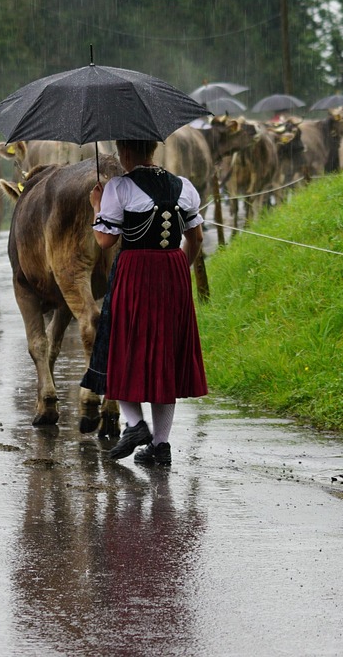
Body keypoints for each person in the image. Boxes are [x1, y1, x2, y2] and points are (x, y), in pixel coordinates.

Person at [80, 139, 208, 465]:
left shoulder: (118, 187)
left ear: (124, 151)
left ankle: (136, 425)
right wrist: (179, 266)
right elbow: (196, 238)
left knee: (122, 348)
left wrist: (97, 206)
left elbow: (106, 240)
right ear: (153, 148)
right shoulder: (184, 186)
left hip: (135, 272)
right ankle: (161, 446)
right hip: (174, 270)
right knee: (164, 355)